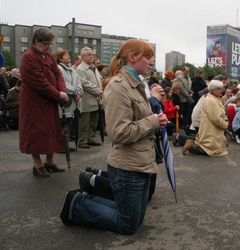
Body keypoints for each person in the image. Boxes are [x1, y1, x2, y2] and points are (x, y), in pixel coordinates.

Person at [60, 39, 167, 234]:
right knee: (128, 225)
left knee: (135, 219)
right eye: (148, 56)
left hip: (140, 161)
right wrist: (153, 122)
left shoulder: (134, 83)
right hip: (128, 166)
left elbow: (137, 119)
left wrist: (154, 119)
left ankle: (87, 195)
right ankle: (77, 202)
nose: (152, 61)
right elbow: (119, 133)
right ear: (132, 57)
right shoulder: (119, 86)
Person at [19, 27, 68, 177]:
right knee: (35, 133)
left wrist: (62, 90)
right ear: (37, 41)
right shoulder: (28, 57)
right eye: (46, 44)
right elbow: (39, 82)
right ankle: (37, 165)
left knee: (51, 131)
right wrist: (58, 94)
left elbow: (57, 74)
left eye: (50, 44)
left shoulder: (47, 55)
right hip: (34, 103)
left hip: (49, 100)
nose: (48, 47)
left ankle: (50, 162)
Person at [182, 80, 229, 156]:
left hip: (212, 127)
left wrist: (225, 119)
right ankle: (191, 145)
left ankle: (192, 144)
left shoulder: (216, 98)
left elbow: (221, 113)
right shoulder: (210, 100)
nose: (222, 91)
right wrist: (225, 124)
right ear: (213, 90)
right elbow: (215, 119)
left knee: (212, 147)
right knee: (209, 149)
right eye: (219, 89)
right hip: (210, 127)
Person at [55, 49, 83, 149]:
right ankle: (60, 145)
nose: (68, 56)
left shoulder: (72, 69)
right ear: (60, 59)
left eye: (68, 54)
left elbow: (78, 81)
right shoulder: (58, 69)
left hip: (73, 101)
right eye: (65, 55)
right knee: (63, 123)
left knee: (69, 122)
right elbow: (62, 83)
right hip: (64, 101)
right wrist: (74, 91)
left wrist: (79, 91)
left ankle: (65, 144)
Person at [76, 47, 103, 149]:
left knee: (93, 121)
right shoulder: (80, 69)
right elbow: (85, 84)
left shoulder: (94, 68)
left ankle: (90, 138)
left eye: (91, 54)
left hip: (95, 99)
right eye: (88, 55)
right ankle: (82, 140)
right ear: (82, 57)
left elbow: (98, 81)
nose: (91, 56)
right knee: (84, 121)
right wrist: (99, 91)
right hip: (87, 99)